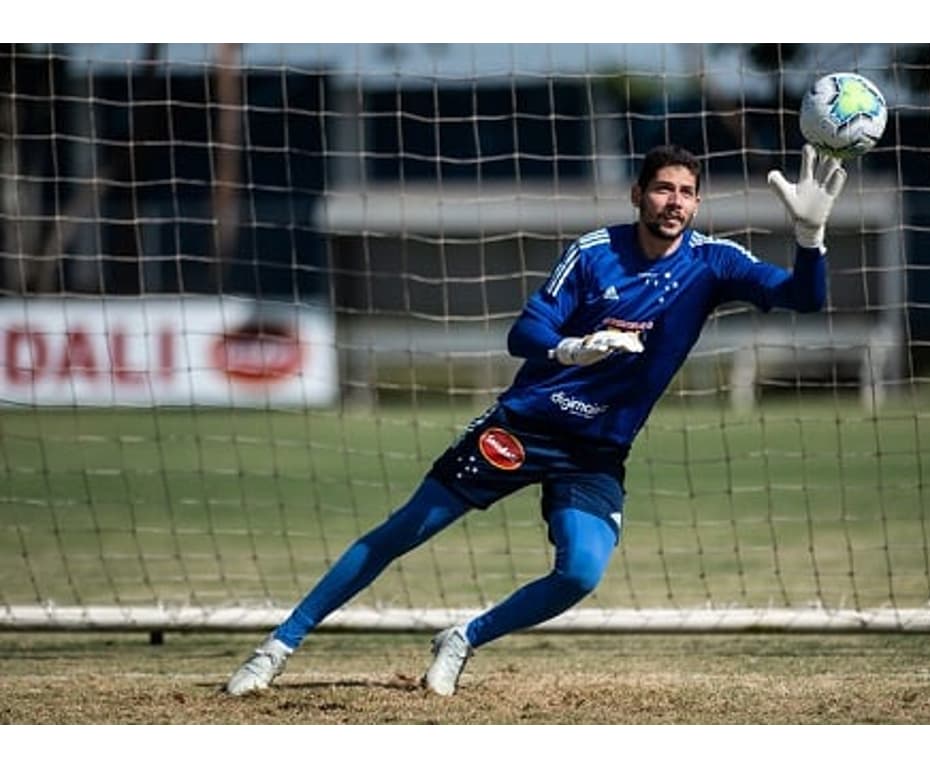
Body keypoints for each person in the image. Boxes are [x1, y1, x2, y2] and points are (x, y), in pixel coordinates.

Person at [225, 142, 847, 697]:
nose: (674, 202)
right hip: (525, 428)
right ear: (638, 194)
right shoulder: (594, 252)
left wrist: (810, 237)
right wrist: (570, 348)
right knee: (403, 530)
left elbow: (806, 299)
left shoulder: (714, 264)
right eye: (662, 188)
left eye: (686, 192)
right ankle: (275, 649)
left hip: (595, 452)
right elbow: (523, 331)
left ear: (697, 202)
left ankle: (462, 638)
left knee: (579, 572)